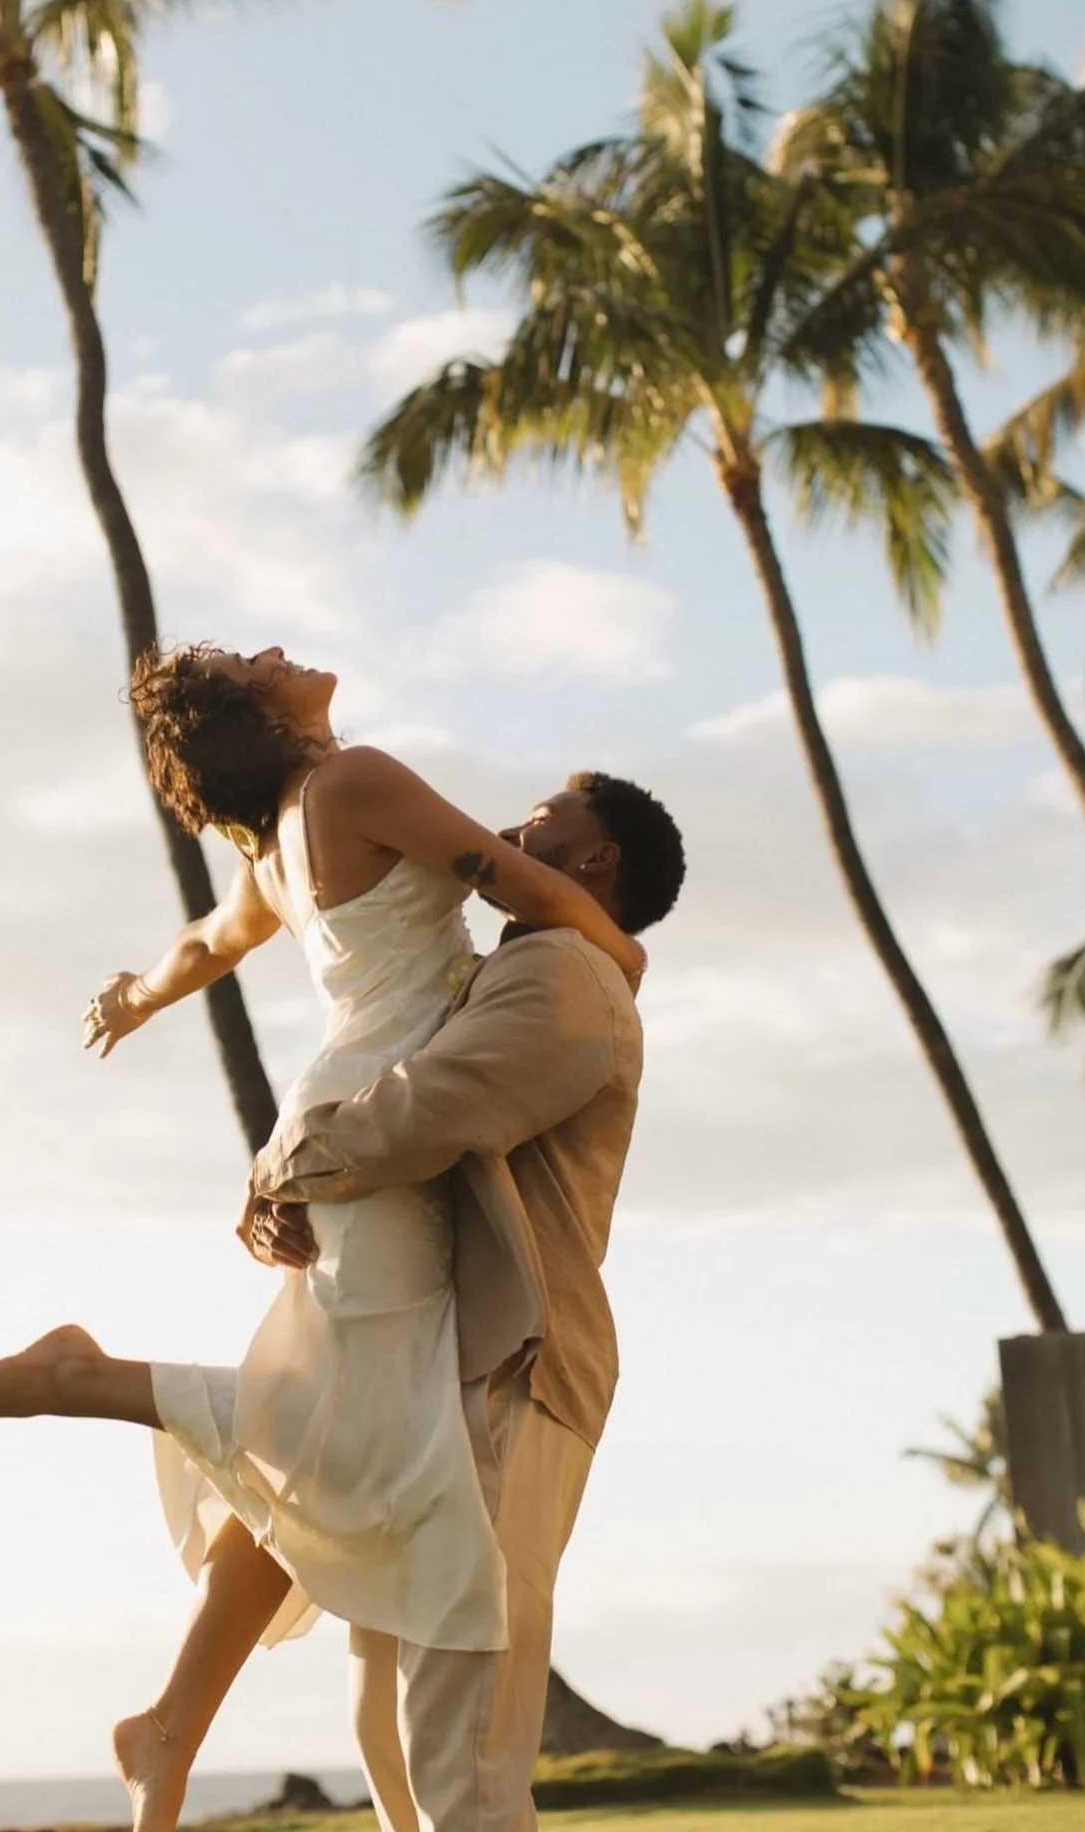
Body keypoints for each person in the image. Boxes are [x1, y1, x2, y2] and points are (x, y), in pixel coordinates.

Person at [0, 645, 648, 1832]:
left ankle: (169, 1722)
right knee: (351, 1433)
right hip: (378, 1131)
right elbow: (514, 879)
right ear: (262, 715)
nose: (277, 652)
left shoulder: (274, 851)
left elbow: (205, 948)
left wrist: (133, 997)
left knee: (341, 1438)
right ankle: (91, 1379)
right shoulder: (357, 780)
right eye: (251, 663)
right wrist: (618, 951)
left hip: (340, 1100)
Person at [244, 771, 685, 1832]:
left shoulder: (568, 976)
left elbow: (435, 1110)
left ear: (593, 865)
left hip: (514, 1367)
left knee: (465, 1740)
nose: (505, 829)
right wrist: (276, 1177)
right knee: (392, 1727)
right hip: (448, 1367)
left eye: (543, 821)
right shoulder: (513, 969)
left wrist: (282, 1166)